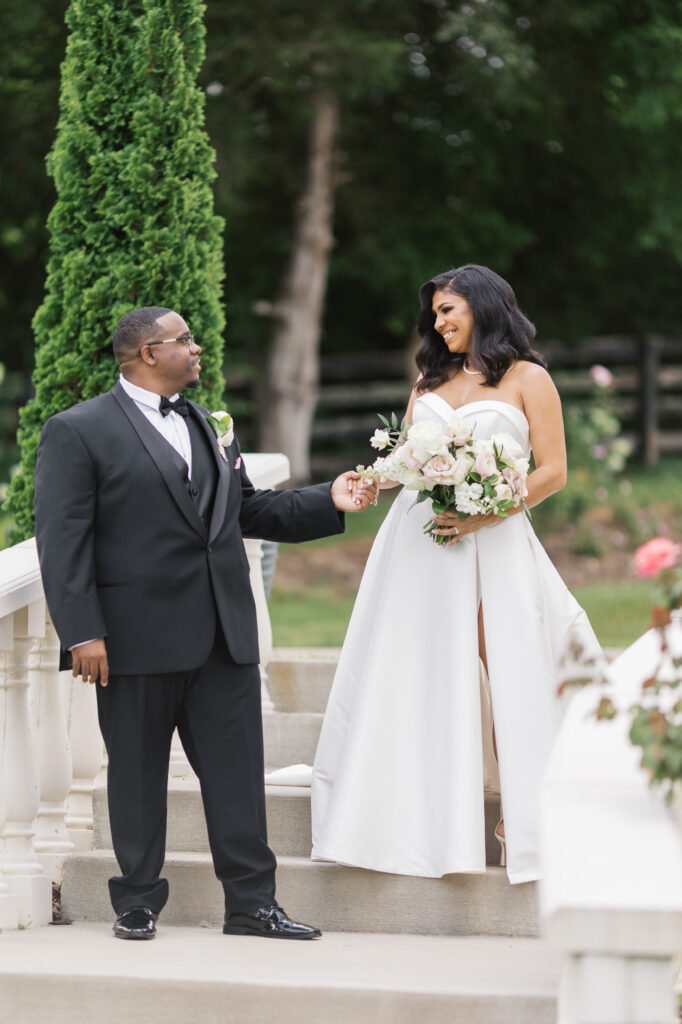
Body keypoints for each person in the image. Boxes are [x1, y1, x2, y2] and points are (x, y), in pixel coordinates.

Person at [34, 305, 377, 941]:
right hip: (132, 637)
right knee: (136, 775)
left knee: (238, 777)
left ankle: (252, 905)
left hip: (223, 631)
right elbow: (63, 538)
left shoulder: (208, 422)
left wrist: (328, 498)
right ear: (145, 354)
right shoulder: (77, 430)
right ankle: (136, 901)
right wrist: (82, 630)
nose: (196, 348)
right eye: (183, 340)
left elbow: (246, 509)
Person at [311, 264, 604, 884]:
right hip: (420, 542)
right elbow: (407, 463)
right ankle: (411, 811)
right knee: (417, 664)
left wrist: (483, 515)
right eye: (435, 314)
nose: (438, 323)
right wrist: (370, 480)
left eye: (449, 310)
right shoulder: (427, 384)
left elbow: (552, 472)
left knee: (507, 659)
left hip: (493, 538)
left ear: (484, 306)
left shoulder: (529, 379)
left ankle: (522, 813)